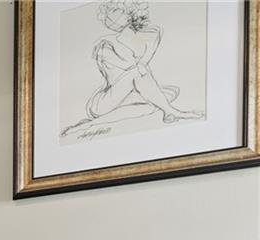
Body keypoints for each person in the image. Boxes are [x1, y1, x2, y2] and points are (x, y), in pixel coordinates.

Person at [61, 0, 203, 139]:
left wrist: (139, 36)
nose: (108, 18)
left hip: (128, 98)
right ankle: (171, 111)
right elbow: (134, 67)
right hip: (103, 103)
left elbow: (144, 57)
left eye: (114, 11)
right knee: (140, 72)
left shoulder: (148, 35)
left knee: (167, 94)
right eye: (108, 14)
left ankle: (89, 124)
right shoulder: (106, 45)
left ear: (129, 13)